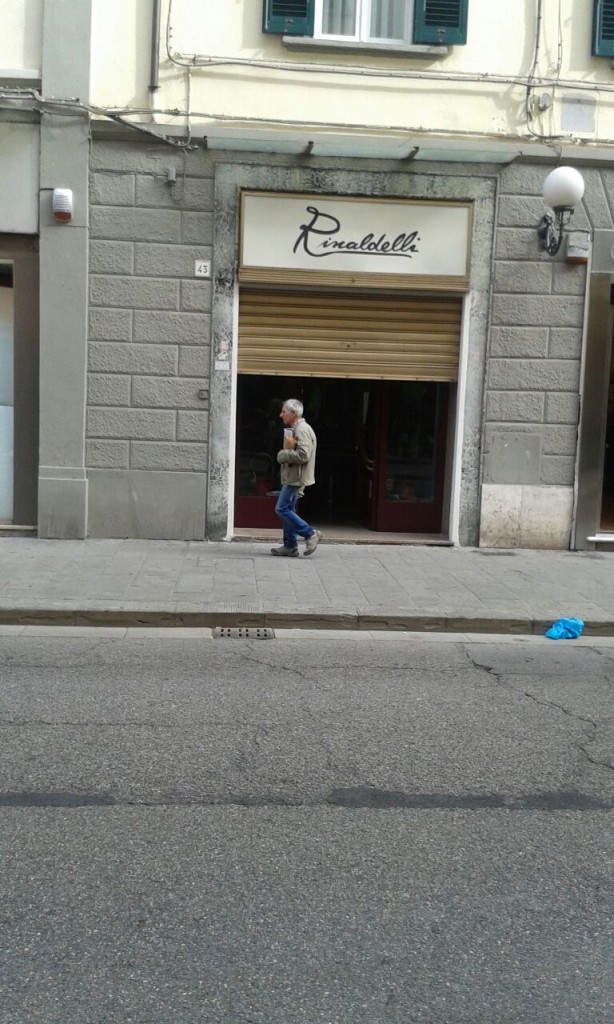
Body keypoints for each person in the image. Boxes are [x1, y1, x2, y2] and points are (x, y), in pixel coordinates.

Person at [271, 398, 322, 558]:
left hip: (296, 478)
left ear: (294, 413)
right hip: (292, 476)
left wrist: (283, 455)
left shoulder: (302, 429)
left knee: (281, 509)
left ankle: (310, 533)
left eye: (284, 412)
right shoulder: (296, 428)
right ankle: (290, 546)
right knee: (289, 509)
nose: (281, 415)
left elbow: (303, 455)